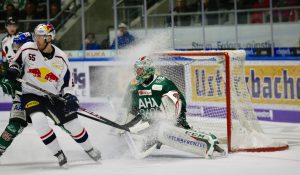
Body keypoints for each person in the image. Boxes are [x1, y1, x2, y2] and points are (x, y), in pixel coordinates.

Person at [6, 23, 101, 167]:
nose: (36, 39)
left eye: (40, 37)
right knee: (38, 120)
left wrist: (69, 96)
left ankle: (90, 149)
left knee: (74, 125)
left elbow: (68, 83)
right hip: (31, 94)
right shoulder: (27, 48)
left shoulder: (61, 57)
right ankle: (58, 153)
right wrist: (14, 70)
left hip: (53, 96)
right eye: (36, 35)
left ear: (49, 38)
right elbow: (15, 63)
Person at [119, 56, 225, 159]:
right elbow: (132, 109)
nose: (137, 72)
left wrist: (175, 120)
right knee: (136, 143)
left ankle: (211, 143)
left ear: (148, 69)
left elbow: (179, 101)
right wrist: (125, 125)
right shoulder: (134, 86)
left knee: (182, 135)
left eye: (140, 70)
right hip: (149, 126)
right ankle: (156, 138)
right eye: (136, 70)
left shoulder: (164, 83)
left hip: (169, 122)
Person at [0, 28, 31, 159]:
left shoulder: (40, 57)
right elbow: (5, 75)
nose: (15, 48)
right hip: (22, 98)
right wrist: (6, 82)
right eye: (15, 45)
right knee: (14, 126)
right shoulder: (12, 59)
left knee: (65, 120)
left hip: (44, 97)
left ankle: (87, 146)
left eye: (18, 45)